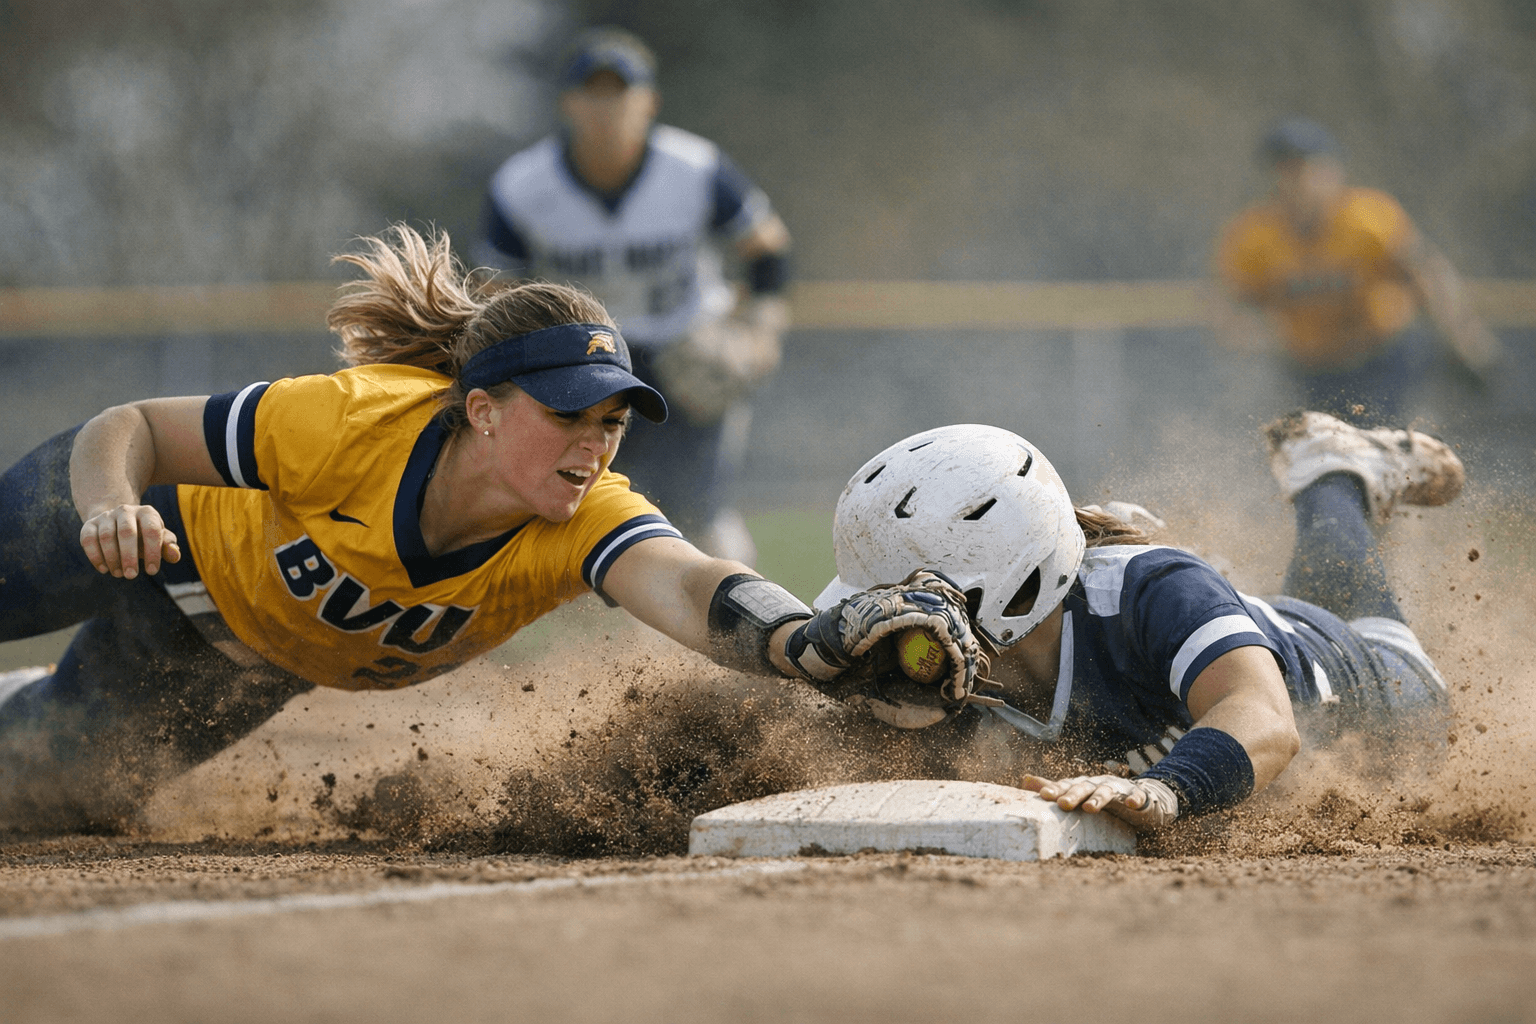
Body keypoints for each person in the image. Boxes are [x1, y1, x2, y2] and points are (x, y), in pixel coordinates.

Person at [0, 225, 976, 834]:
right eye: (568, 411)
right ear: (483, 411)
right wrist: (109, 507)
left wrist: (802, 640)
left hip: (231, 659)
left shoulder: (580, 519)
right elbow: (131, 428)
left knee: (42, 794)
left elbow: (686, 582)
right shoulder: (354, 421)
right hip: (152, 531)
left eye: (612, 419)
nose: (594, 442)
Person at [806, 413, 1461, 831]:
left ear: (1007, 590)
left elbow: (1266, 721)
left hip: (1384, 697)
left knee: (1349, 583)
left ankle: (1332, 473)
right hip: (1252, 632)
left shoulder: (1146, 587)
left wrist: (1166, 789)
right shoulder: (941, 676)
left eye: (913, 600)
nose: (891, 624)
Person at [478, 27, 791, 563]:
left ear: (649, 102)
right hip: (586, 362)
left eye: (620, 92)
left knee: (699, 512)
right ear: (568, 103)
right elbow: (497, 290)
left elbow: (767, 247)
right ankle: (588, 621)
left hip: (686, 347)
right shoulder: (523, 185)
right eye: (592, 92)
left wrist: (761, 330)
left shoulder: (694, 167)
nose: (607, 108)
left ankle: (741, 614)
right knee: (577, 511)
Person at [1215, 116, 1501, 426]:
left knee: (1379, 436)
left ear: (1334, 170)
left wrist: (1464, 339)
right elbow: (1234, 303)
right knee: (1323, 445)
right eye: (1285, 168)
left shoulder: (1369, 217)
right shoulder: (1253, 234)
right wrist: (1249, 336)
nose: (1297, 180)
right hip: (1311, 367)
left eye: (1305, 167)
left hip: (1383, 356)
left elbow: (1427, 275)